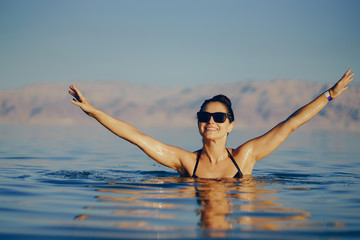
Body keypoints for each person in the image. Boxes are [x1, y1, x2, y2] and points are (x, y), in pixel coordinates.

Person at [69, 69, 354, 178]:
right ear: (198, 123)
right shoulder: (185, 162)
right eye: (205, 117)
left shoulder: (246, 156)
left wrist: (329, 94)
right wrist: (93, 111)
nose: (211, 122)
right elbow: (136, 136)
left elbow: (290, 124)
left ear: (231, 125)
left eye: (219, 117)